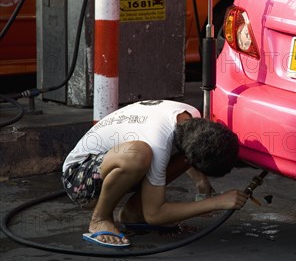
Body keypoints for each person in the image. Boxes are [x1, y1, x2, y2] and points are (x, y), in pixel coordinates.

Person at [61, 100, 248, 247]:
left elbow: (187, 151)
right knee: (138, 154)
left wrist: (201, 181)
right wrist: (216, 202)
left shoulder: (191, 116)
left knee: (173, 156)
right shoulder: (157, 141)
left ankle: (133, 214)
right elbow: (155, 215)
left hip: (110, 162)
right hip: (79, 179)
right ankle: (100, 219)